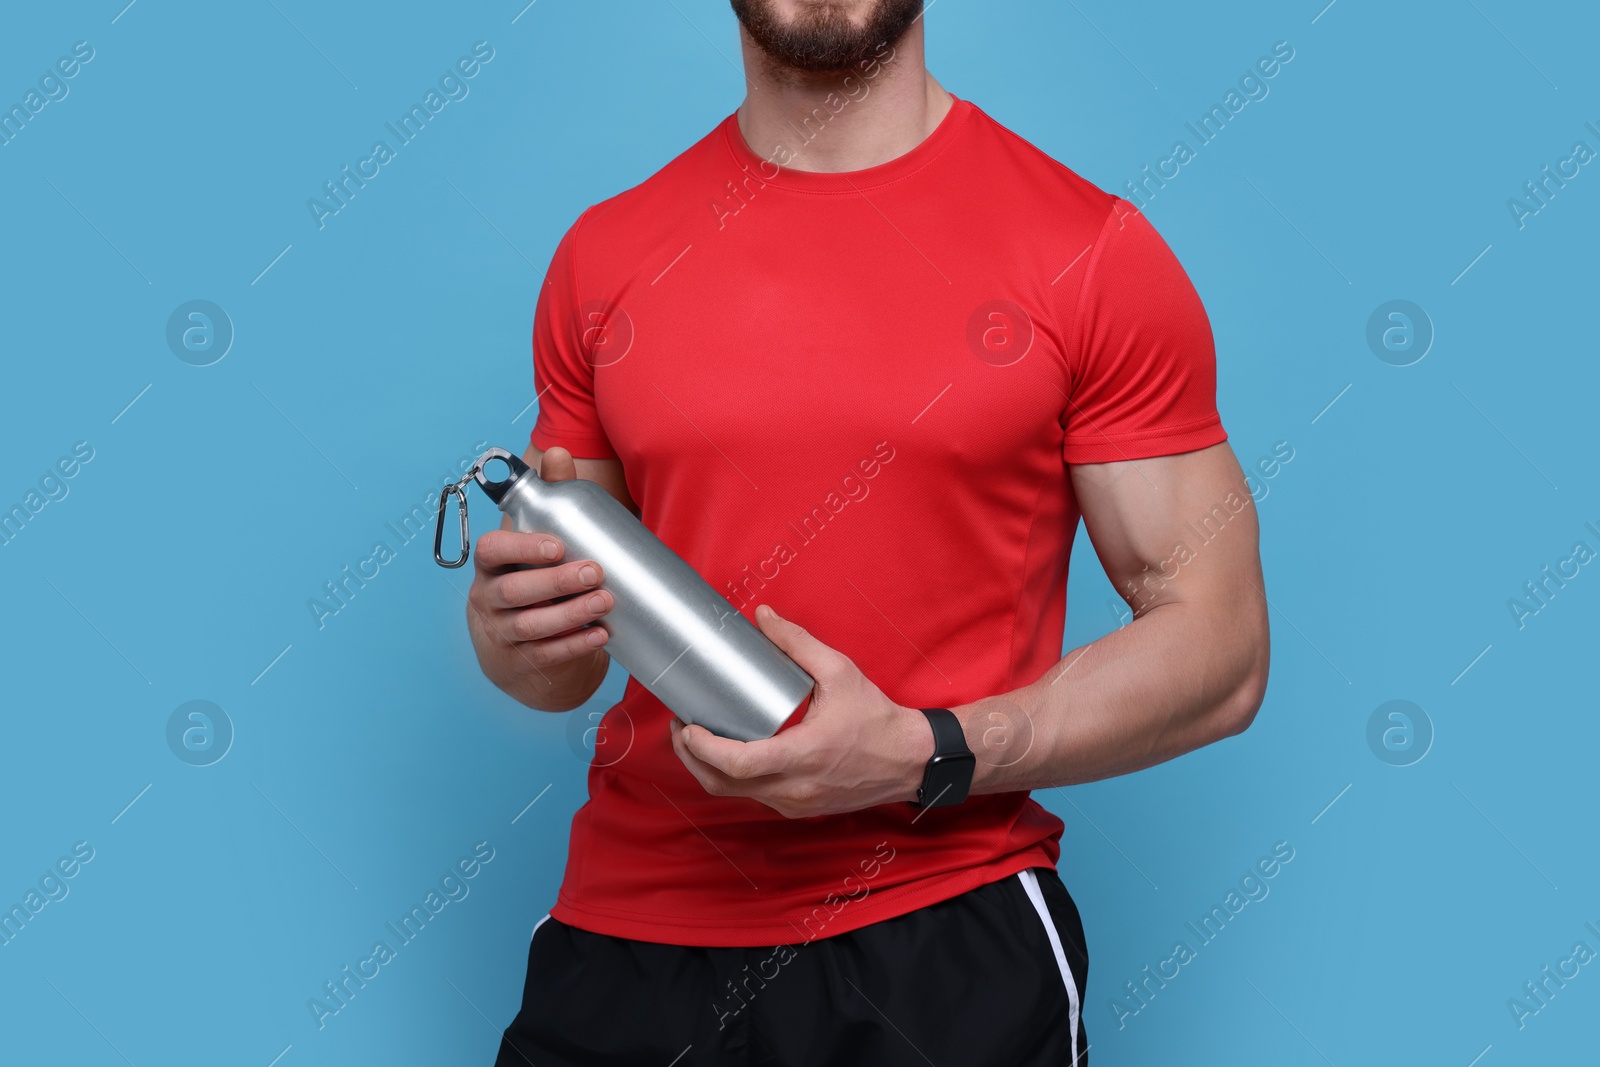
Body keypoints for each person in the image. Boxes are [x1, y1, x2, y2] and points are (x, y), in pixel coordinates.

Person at [469, 2, 1270, 1063]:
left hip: (940, 935)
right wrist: (513, 635)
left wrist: (921, 753)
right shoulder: (606, 254)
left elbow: (1220, 649)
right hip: (629, 940)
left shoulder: (1089, 253)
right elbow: (562, 664)